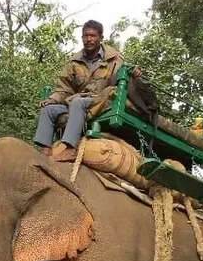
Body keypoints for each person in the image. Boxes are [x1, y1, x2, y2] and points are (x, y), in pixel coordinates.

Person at [34, 19, 147, 160]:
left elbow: (126, 73)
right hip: (79, 100)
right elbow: (64, 88)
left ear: (100, 38)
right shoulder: (74, 62)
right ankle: (45, 149)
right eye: (85, 36)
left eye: (92, 36)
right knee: (49, 110)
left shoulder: (114, 58)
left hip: (102, 99)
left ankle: (69, 147)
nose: (88, 39)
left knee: (77, 103)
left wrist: (135, 72)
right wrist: (52, 99)